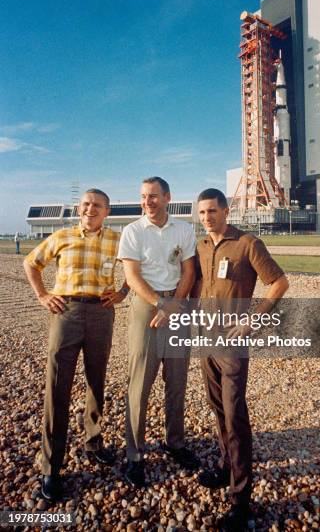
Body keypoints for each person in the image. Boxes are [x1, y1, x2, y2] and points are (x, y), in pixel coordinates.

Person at [23, 189, 129, 501]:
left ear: (107, 211)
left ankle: (93, 444)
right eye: (85, 204)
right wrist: (43, 295)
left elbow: (139, 267)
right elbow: (32, 263)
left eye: (97, 205)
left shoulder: (117, 239)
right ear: (78, 208)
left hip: (101, 313)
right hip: (65, 312)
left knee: (97, 382)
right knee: (58, 386)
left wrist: (122, 292)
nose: (90, 209)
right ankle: (51, 466)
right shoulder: (61, 236)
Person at [194, 188, 289, 532]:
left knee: (235, 416)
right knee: (217, 408)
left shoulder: (248, 244)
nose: (207, 218)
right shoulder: (203, 245)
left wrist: (252, 320)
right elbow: (203, 284)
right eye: (202, 213)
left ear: (225, 211)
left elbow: (279, 283)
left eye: (212, 212)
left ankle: (241, 498)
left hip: (232, 343)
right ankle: (225, 466)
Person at [118, 176, 198, 487]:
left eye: (153, 196)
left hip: (177, 305)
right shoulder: (133, 231)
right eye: (143, 196)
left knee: (177, 380)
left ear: (167, 197)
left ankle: (174, 442)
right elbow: (132, 275)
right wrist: (160, 304)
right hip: (147, 305)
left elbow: (189, 270)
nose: (147, 202)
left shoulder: (184, 229)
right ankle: (135, 454)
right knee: (140, 382)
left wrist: (176, 303)